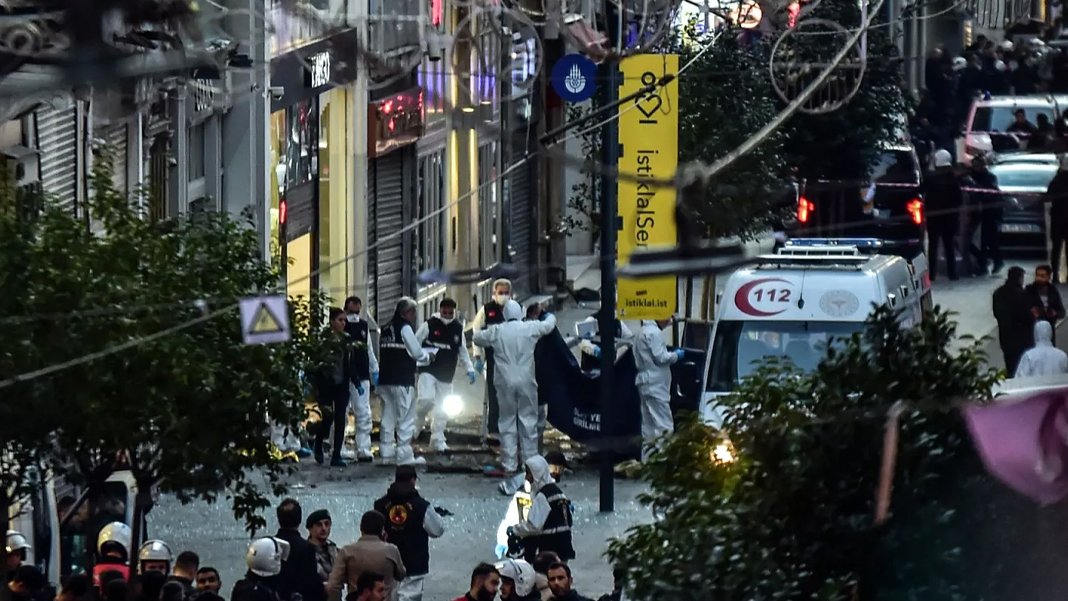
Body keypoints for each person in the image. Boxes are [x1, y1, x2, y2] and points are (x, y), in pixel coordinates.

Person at [473, 301, 558, 473]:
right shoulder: (530, 328)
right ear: (520, 313)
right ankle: (530, 464)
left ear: (504, 314)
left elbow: (476, 338)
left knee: (507, 422)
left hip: (504, 382)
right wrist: (547, 314)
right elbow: (549, 325)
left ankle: (509, 464)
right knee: (528, 421)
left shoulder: (497, 330)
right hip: (527, 381)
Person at [372, 465, 445, 601]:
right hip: (414, 563)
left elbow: (373, 532)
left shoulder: (380, 504)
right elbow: (437, 530)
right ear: (413, 480)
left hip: (388, 563)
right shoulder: (422, 505)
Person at [415, 297, 476, 452]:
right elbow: (414, 342)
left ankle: (437, 438)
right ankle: (415, 427)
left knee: (442, 408)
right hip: (428, 369)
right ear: (440, 310)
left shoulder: (457, 328)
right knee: (425, 399)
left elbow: (462, 350)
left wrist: (470, 369)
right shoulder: (429, 325)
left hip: (447, 373)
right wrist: (413, 362)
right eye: (445, 312)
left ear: (454, 312)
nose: (447, 315)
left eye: (450, 313)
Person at [378, 297, 432, 466]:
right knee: (405, 416)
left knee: (388, 414)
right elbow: (416, 351)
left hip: (385, 378)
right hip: (402, 378)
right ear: (408, 312)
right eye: (414, 312)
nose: (415, 316)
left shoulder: (385, 328)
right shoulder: (405, 328)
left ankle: (386, 450)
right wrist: (428, 357)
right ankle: (404, 455)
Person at [313, 308, 362, 467]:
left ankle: (336, 455)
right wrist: (315, 383)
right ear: (332, 321)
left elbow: (351, 363)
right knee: (327, 418)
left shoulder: (347, 340)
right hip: (326, 384)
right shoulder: (323, 340)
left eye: (344, 320)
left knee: (341, 419)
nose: (343, 323)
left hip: (342, 384)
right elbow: (316, 363)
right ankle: (318, 442)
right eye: (340, 320)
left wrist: (357, 382)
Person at [633, 318, 685, 462]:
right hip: (656, 385)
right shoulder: (653, 333)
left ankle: (648, 460)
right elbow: (661, 358)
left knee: (648, 425)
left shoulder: (641, 332)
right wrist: (676, 355)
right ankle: (665, 461)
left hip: (645, 382)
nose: (669, 319)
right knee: (664, 425)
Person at [470, 278, 514, 443]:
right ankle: (493, 429)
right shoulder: (486, 310)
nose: (503, 296)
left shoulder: (515, 310)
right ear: (494, 294)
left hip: (511, 358)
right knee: (494, 394)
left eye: (506, 293)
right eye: (500, 293)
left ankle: (510, 427)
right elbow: (476, 332)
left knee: (510, 394)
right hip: (492, 358)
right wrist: (477, 356)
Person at [507, 456, 574, 563]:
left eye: (529, 473)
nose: (527, 478)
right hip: (563, 548)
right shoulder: (558, 492)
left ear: (537, 474)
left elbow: (534, 526)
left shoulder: (543, 496)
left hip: (549, 549)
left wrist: (515, 530)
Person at [326, 511, 406, 601]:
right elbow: (401, 574)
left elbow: (332, 586)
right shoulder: (391, 550)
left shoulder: (347, 551)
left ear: (361, 528)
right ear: (382, 529)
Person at [343, 296, 379, 462]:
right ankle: (339, 446)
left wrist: (375, 370)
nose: (354, 316)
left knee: (363, 413)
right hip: (343, 376)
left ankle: (363, 448)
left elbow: (369, 349)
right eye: (351, 312)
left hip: (362, 374)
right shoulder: (340, 325)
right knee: (341, 413)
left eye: (357, 312)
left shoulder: (364, 326)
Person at [921, 149, 963, 281]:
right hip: (950, 217)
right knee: (949, 245)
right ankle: (952, 273)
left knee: (933, 245)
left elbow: (921, 191)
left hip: (934, 216)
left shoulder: (930, 178)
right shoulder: (954, 178)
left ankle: (932, 274)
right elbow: (959, 198)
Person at [273, 499, 324, 601]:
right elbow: (311, 584)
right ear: (300, 520)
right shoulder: (306, 548)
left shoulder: (269, 544)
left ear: (279, 519)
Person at [965, 153, 1005, 275]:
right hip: (975, 212)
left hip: (988, 213)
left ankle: (993, 262)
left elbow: (990, 193)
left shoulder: (989, 178)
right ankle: (983, 262)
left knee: (989, 240)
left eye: (979, 165)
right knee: (970, 241)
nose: (976, 167)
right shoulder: (970, 177)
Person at [993, 266, 1036, 375]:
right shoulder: (1023, 294)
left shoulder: (998, 293)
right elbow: (1028, 315)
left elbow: (997, 313)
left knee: (1011, 367)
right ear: (1019, 278)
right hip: (1023, 338)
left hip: (1006, 337)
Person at [1027, 265, 1066, 342]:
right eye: (1037, 275)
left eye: (1042, 276)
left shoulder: (1053, 291)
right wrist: (1031, 313)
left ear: (1048, 277)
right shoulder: (1029, 290)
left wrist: (1055, 313)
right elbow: (1020, 310)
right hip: (1032, 330)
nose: (1039, 278)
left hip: (1048, 330)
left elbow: (1062, 312)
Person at [1045, 154, 1068, 282]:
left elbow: (1048, 197)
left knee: (1056, 248)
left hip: (1058, 218)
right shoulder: (1057, 180)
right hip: (1060, 217)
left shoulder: (1056, 180)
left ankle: (1055, 275)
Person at [305, 509, 337, 588]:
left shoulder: (334, 550)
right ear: (310, 528)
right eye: (319, 525)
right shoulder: (305, 551)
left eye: (327, 524)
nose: (324, 528)